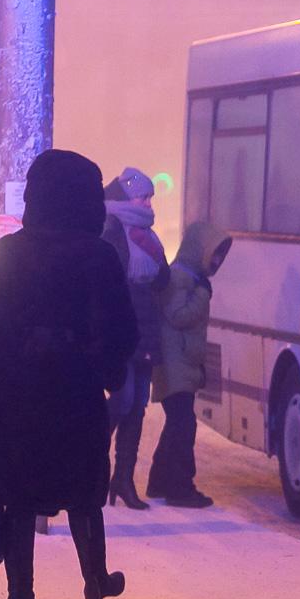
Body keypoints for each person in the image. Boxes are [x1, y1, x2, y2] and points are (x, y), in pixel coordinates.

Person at [0, 150, 138, 599]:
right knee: (84, 491)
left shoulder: (10, 253)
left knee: (16, 498)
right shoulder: (96, 254)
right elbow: (123, 330)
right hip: (75, 397)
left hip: (13, 400)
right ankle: (96, 579)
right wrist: (105, 368)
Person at [147, 220, 231, 507]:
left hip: (182, 364)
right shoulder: (181, 279)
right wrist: (203, 295)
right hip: (174, 365)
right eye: (214, 253)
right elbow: (179, 316)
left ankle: (160, 482)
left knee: (177, 424)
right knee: (184, 425)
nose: (217, 261)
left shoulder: (188, 278)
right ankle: (179, 487)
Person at [101, 167, 169, 508]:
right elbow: (107, 279)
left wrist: (157, 259)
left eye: (150, 196)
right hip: (121, 328)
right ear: (127, 197)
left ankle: (123, 481)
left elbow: (163, 279)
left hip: (146, 327)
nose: (147, 201)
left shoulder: (148, 234)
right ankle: (94, 467)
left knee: (138, 407)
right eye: (142, 195)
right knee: (123, 400)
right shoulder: (111, 227)